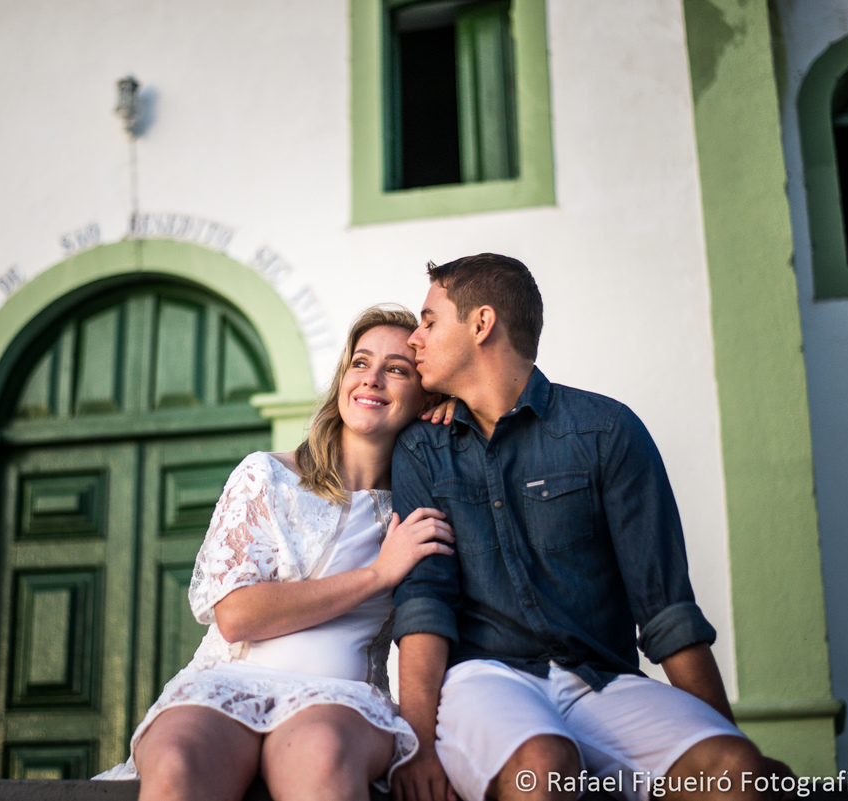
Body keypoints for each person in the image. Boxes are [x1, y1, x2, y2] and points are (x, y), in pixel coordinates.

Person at [390, 253, 781, 801]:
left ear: (481, 324)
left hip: (601, 678)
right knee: (545, 767)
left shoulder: (607, 431)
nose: (414, 339)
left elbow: (666, 608)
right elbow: (424, 603)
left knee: (735, 770)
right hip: (485, 679)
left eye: (429, 321)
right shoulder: (423, 448)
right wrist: (418, 745)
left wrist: (729, 734)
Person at [96, 305, 455, 801]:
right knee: (178, 764)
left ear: (426, 394)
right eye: (360, 362)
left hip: (342, 696)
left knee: (321, 757)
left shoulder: (423, 504)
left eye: (396, 369)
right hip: (227, 684)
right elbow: (238, 615)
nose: (371, 379)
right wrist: (377, 575)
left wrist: (461, 427)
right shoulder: (267, 476)